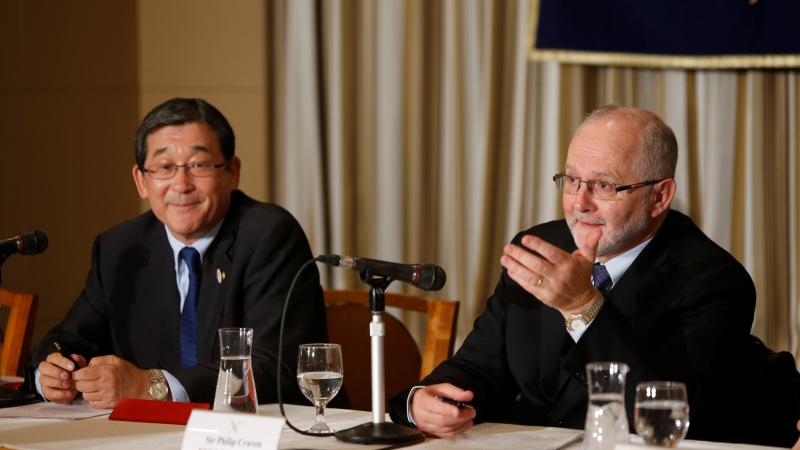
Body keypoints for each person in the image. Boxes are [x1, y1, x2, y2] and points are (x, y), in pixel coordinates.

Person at [389, 105, 788, 444]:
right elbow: (481, 368)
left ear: (660, 196)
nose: (579, 203)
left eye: (603, 185)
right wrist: (425, 401)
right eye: (572, 180)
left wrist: (583, 305)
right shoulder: (540, 248)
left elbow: (669, 416)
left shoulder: (713, 281)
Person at [30, 98, 327, 409]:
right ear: (141, 181)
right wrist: (51, 373)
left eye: (199, 165)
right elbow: (69, 339)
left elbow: (276, 368)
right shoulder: (121, 247)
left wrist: (153, 386)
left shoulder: (269, 235)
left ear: (233, 172)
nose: (181, 184)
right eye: (164, 167)